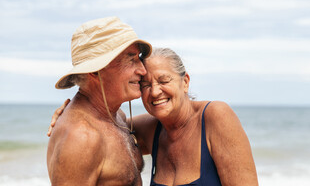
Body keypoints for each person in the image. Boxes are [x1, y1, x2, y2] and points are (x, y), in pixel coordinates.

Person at [49, 47, 259, 185]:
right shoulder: (151, 129)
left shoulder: (215, 117)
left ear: (185, 82)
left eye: (163, 80)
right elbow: (102, 127)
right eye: (145, 85)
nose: (155, 91)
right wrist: (70, 113)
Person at [47, 16, 152, 185]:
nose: (142, 70)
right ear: (95, 71)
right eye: (131, 60)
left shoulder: (117, 117)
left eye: (139, 58)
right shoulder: (81, 138)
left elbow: (169, 128)